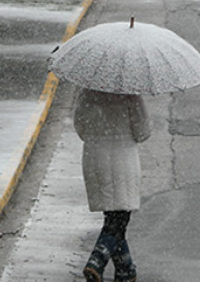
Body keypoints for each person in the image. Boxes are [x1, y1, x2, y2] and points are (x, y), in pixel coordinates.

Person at [73, 88, 151, 282]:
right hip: (122, 159)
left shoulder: (86, 92)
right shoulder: (130, 93)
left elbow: (80, 127)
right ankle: (96, 261)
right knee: (119, 219)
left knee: (112, 216)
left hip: (95, 158)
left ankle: (126, 269)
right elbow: (142, 132)